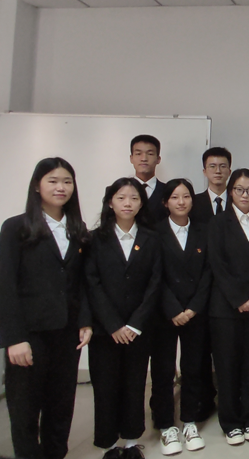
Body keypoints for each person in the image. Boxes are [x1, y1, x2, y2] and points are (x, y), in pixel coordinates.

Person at [0, 158, 92, 459]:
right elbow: (5, 287)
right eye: (53, 181)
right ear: (37, 186)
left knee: (61, 406)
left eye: (67, 181)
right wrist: (14, 338)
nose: (61, 187)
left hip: (67, 333)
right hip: (30, 334)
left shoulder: (77, 229)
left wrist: (85, 321)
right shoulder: (16, 228)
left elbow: (82, 283)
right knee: (25, 409)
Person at [85, 178, 163, 459]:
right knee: (105, 387)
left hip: (138, 329)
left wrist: (134, 324)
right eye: (121, 198)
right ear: (110, 203)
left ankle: (131, 442)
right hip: (105, 330)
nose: (127, 203)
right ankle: (108, 444)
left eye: (134, 198)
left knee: (135, 384)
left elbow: (155, 283)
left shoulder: (152, 238)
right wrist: (114, 325)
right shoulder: (95, 239)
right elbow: (91, 283)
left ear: (141, 203)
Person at [207, 168, 249, 445]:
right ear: (230, 192)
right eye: (239, 190)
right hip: (225, 308)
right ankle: (231, 422)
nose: (245, 195)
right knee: (227, 366)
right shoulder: (217, 223)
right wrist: (238, 300)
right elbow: (217, 265)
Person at [150, 179, 212, 454]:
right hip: (164, 314)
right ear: (166, 202)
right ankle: (166, 425)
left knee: (193, 368)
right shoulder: (154, 232)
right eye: (175, 197)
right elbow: (154, 275)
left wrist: (193, 307)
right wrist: (173, 309)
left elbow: (209, 272)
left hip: (195, 312)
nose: (181, 201)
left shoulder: (203, 230)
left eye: (186, 196)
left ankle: (189, 421)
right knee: (163, 371)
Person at [190, 147, 232, 225]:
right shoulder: (194, 202)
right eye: (212, 166)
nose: (218, 171)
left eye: (223, 166)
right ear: (204, 171)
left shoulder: (237, 201)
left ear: (229, 172)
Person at [130, 134, 166, 221]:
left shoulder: (169, 192)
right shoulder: (117, 191)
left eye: (150, 154)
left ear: (158, 159)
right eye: (138, 154)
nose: (144, 159)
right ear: (131, 158)